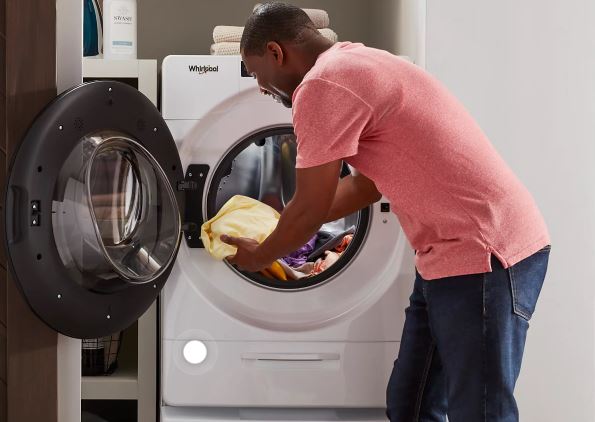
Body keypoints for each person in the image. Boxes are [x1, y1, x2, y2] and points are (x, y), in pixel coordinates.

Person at [221, 3, 550, 421]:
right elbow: (365, 184)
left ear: (276, 52)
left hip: (483, 254)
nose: (261, 87)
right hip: (448, 256)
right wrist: (283, 223)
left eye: (255, 73)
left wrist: (261, 254)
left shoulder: (322, 85)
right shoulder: (357, 59)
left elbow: (311, 205)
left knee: (480, 410)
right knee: (411, 403)